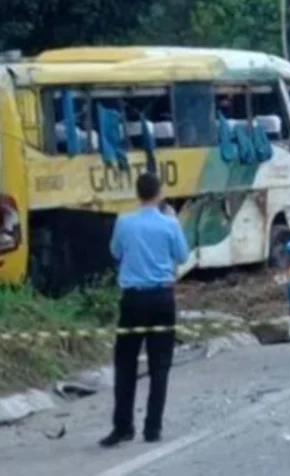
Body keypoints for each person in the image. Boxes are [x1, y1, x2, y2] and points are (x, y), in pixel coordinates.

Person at [100, 173, 189, 447]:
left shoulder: (124, 222)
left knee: (125, 365)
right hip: (162, 299)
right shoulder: (170, 223)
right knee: (159, 366)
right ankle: (153, 428)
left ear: (137, 193)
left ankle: (123, 426)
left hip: (133, 300)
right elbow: (183, 256)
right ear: (160, 193)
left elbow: (115, 252)